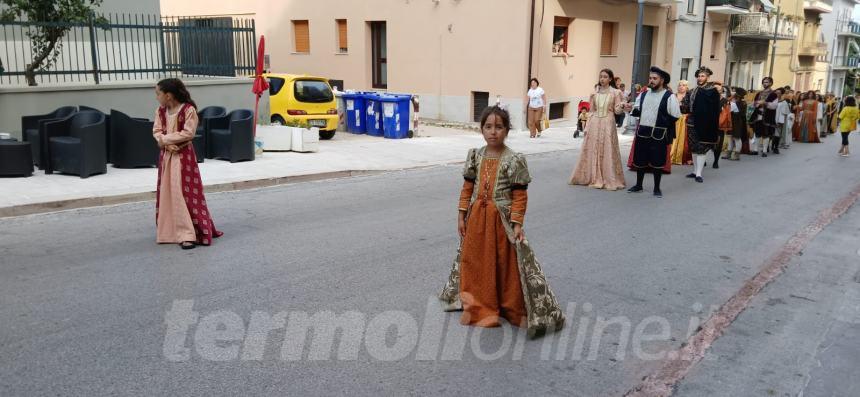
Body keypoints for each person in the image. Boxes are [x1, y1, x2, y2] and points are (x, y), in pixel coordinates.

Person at [438, 106, 565, 338]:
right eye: (488, 127)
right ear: (481, 130)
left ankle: (510, 306)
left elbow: (519, 195)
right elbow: (467, 188)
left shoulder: (513, 159)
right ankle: (479, 305)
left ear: (507, 130)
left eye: (499, 127)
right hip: (476, 219)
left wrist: (517, 223)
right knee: (476, 261)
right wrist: (461, 214)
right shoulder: (476, 156)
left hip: (502, 221)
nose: (493, 132)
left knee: (504, 264)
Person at [152, 78, 223, 250]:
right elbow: (156, 130)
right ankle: (169, 232)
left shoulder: (189, 110)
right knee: (168, 193)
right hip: (167, 156)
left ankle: (188, 235)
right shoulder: (161, 111)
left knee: (182, 193)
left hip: (183, 157)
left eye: (158, 93)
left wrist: (164, 140)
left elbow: (188, 133)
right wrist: (166, 143)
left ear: (168, 95)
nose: (157, 97)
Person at [626, 66, 681, 197]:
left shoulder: (669, 96)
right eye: (650, 78)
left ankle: (657, 188)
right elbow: (637, 111)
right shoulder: (644, 94)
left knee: (658, 162)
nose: (651, 80)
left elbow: (675, 115)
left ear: (662, 80)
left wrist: (663, 124)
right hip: (643, 132)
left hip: (659, 134)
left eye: (655, 78)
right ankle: (639, 185)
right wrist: (630, 108)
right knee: (640, 160)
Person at [570, 69, 627, 190]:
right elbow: (591, 111)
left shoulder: (616, 93)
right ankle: (592, 176)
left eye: (605, 77)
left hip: (608, 122)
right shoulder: (594, 93)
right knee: (593, 148)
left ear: (610, 79)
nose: (602, 79)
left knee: (607, 148)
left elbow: (617, 111)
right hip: (595, 122)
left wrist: (622, 106)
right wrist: (587, 126)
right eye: (601, 76)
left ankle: (608, 177)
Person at [681, 67, 721, 183]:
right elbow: (686, 106)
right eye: (699, 76)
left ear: (707, 77)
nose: (700, 78)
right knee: (694, 148)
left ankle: (699, 173)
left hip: (705, 123)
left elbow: (715, 108)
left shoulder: (712, 91)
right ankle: (694, 171)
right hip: (692, 122)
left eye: (702, 76)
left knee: (702, 148)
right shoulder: (692, 91)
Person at [751, 76, 780, 156]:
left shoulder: (773, 94)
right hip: (758, 115)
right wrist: (756, 103)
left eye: (767, 82)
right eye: (764, 82)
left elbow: (774, 105)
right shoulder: (759, 93)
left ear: (771, 83)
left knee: (766, 134)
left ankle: (764, 151)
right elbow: (754, 103)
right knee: (757, 133)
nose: (765, 83)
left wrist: (765, 103)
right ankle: (755, 150)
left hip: (767, 116)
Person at [670, 80, 693, 165]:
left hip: (685, 120)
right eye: (680, 85)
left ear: (687, 87)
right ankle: (671, 155)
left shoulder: (689, 96)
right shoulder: (673, 95)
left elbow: (692, 108)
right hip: (674, 119)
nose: (681, 87)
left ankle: (683, 157)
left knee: (685, 139)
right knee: (672, 138)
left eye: (683, 85)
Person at [727, 87, 748, 161]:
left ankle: (737, 154)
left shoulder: (741, 103)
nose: (732, 93)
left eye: (734, 92)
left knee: (737, 138)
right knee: (730, 137)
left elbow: (741, 113)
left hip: (737, 122)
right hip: (731, 121)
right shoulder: (733, 102)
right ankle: (728, 153)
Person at [715, 82, 731, 167]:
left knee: (718, 144)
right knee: (706, 143)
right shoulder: (708, 99)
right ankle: (703, 159)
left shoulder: (725, 101)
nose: (716, 90)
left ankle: (716, 161)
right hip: (708, 124)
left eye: (718, 89)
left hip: (719, 125)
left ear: (721, 90)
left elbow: (727, 114)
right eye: (714, 89)